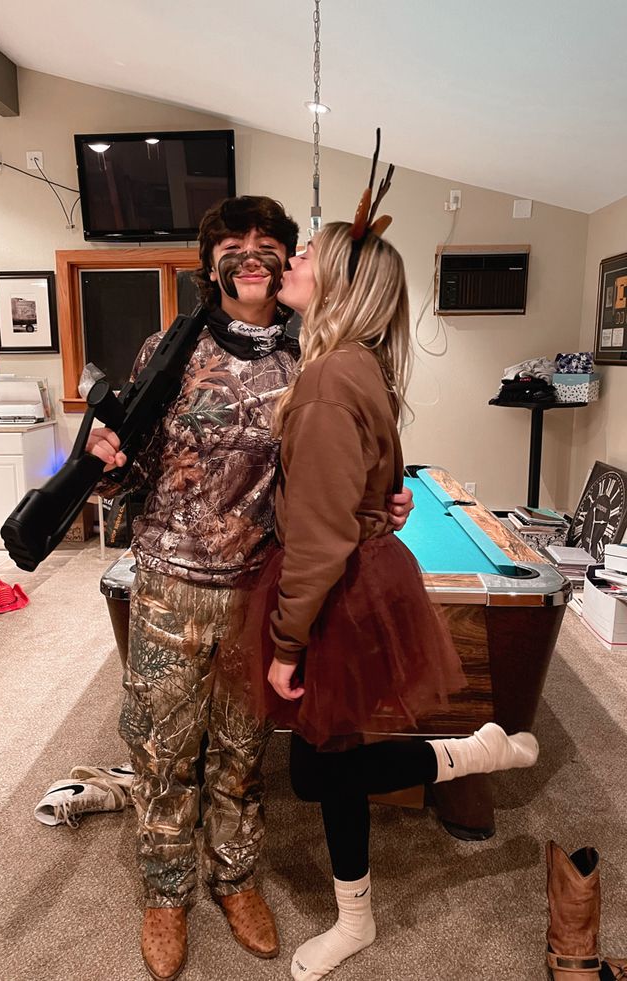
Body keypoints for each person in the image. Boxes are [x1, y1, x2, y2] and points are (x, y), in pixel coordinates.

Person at [217, 155, 541, 981]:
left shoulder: (326, 377)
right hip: (361, 577)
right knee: (323, 761)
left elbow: (321, 539)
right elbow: (373, 475)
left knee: (319, 764)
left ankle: (463, 758)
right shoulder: (357, 362)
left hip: (333, 593)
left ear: (338, 284)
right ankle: (456, 768)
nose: (289, 262)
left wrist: (285, 644)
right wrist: (381, 502)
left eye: (303, 257)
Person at [76, 195, 415, 981]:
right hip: (167, 583)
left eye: (271, 242)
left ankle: (234, 878)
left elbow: (344, 459)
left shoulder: (313, 349)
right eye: (235, 242)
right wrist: (103, 464)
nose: (254, 254)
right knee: (161, 749)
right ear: (212, 260)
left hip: (259, 588)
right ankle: (166, 892)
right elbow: (130, 461)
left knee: (239, 751)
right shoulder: (170, 347)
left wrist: (385, 497)